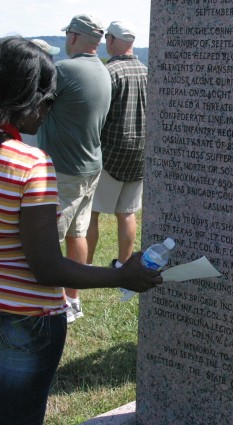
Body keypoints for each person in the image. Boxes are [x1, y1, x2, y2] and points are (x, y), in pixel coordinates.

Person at [0, 37, 160, 424]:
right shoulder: (30, 163)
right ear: (23, 96)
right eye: (46, 100)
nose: (47, 112)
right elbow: (46, 269)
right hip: (24, 316)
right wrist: (122, 275)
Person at [38, 15, 112, 323]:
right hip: (90, 163)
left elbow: (34, 104)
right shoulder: (103, 70)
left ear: (72, 37)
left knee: (49, 238)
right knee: (77, 233)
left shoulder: (65, 70)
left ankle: (53, 302)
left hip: (63, 168)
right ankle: (73, 300)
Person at [87, 21, 148, 270]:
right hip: (139, 154)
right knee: (127, 213)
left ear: (110, 40)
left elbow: (97, 115)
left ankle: (85, 266)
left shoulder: (108, 72)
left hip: (110, 152)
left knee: (90, 213)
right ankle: (124, 265)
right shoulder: (147, 71)